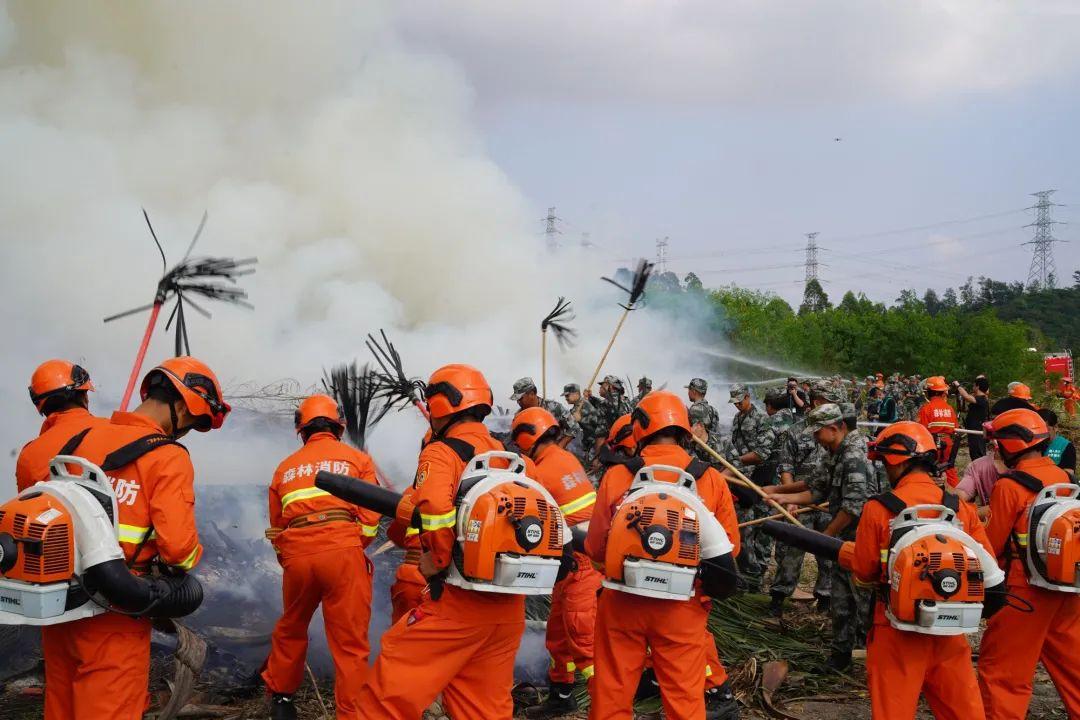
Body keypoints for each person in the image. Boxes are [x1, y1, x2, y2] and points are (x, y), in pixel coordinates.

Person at [40, 357, 228, 720]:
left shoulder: (83, 437)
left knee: (61, 705)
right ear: (181, 404)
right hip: (116, 611)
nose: (185, 432)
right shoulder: (167, 455)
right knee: (111, 708)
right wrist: (185, 562)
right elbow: (178, 550)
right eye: (190, 423)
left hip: (61, 603)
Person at [357, 364, 529, 719]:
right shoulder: (509, 459)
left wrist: (435, 560)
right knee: (483, 706)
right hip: (508, 606)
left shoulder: (441, 452)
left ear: (439, 406)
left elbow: (434, 508)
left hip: (458, 600)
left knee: (388, 693)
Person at [586, 391, 741, 720]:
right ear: (684, 431)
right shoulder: (709, 478)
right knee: (684, 697)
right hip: (683, 605)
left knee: (612, 691)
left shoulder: (618, 476)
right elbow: (729, 551)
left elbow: (596, 548)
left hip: (621, 602)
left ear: (639, 429)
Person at [837, 422, 991, 719]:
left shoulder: (879, 508)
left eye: (884, 462)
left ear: (897, 461)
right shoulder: (958, 507)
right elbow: (985, 563)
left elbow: (866, 572)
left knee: (894, 711)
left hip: (895, 628)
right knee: (963, 710)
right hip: (950, 627)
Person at [263, 394, 381, 720]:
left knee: (291, 627)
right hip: (343, 552)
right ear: (337, 427)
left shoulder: (285, 467)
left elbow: (277, 527)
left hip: (298, 554)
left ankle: (282, 701)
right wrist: (349, 545)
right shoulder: (357, 460)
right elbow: (371, 521)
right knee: (350, 645)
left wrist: (290, 555)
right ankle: (350, 713)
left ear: (302, 431)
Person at [978, 409, 1080, 719]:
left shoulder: (1010, 487)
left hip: (1025, 592)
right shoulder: (1066, 478)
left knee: (1003, 673)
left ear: (1010, 445)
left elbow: (991, 546)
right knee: (1073, 663)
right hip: (1068, 584)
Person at [766, 404, 876, 670]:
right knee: (841, 600)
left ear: (835, 428)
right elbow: (817, 491)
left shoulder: (853, 456)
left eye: (818, 433)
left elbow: (853, 507)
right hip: (843, 543)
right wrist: (782, 495)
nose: (815, 438)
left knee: (863, 602)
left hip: (860, 542)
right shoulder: (834, 453)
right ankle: (840, 657)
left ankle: (871, 653)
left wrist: (825, 538)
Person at [510, 407, 601, 719]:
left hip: (581, 567)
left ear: (526, 439)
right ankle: (561, 696)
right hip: (573, 565)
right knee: (558, 638)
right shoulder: (565, 459)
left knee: (584, 642)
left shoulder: (540, 471)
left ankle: (608, 708)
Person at [16, 359, 108, 492]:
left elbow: (27, 500)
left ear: (42, 406)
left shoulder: (27, 455)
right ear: (84, 397)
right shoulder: (112, 429)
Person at [727, 382, 777, 593]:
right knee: (741, 529)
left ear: (748, 397)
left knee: (754, 531)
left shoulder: (761, 420)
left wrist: (734, 463)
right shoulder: (738, 419)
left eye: (740, 401)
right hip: (738, 481)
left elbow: (762, 453)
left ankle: (755, 578)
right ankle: (747, 576)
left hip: (755, 481)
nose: (737, 405)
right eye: (735, 402)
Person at [917, 376, 959, 487]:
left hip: (933, 444)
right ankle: (956, 496)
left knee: (928, 470)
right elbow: (955, 428)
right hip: (948, 443)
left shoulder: (926, 408)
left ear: (929, 392)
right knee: (949, 468)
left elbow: (921, 430)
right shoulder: (949, 408)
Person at [511, 377, 579, 446]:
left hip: (554, 453)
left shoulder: (554, 407)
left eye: (520, 399)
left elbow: (574, 427)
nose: (518, 402)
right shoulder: (520, 416)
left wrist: (560, 446)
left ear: (531, 394)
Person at [954, 449, 1000, 520]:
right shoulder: (978, 466)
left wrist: (969, 514)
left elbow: (1006, 508)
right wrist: (944, 485)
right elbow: (960, 496)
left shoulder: (1021, 468)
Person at [955, 375, 990, 459]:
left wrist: (958, 385)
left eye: (974, 385)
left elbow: (966, 396)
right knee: (974, 452)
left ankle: (980, 470)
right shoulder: (979, 399)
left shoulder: (982, 399)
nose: (973, 387)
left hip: (977, 431)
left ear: (977, 387)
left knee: (978, 453)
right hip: (973, 430)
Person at [687, 377, 721, 459]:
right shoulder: (713, 409)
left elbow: (695, 435)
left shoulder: (695, 409)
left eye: (689, 390)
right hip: (714, 452)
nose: (688, 393)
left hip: (700, 454)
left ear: (694, 391)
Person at [1038, 407, 1076, 478]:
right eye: (1039, 429)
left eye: (1046, 429)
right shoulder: (1031, 444)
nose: (1042, 433)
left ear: (1055, 427)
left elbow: (1069, 473)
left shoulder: (1066, 446)